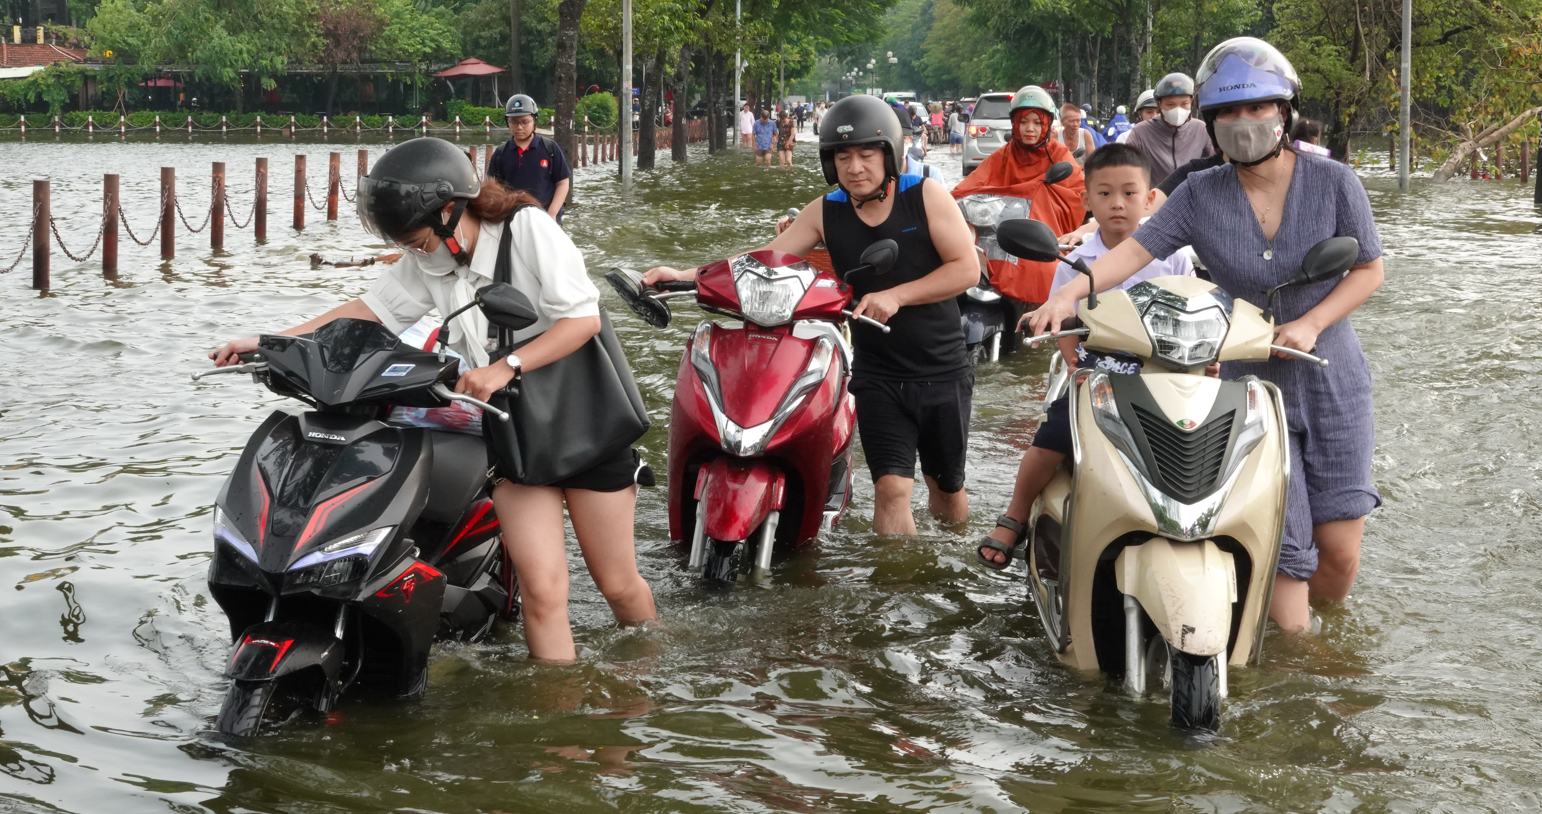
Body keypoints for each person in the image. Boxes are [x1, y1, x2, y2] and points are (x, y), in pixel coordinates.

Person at [210, 138, 657, 661]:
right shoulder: (432, 258)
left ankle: (643, 684)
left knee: (618, 585)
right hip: (514, 432)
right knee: (542, 593)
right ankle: (556, 731)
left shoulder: (526, 229)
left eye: (418, 241)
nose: (414, 252)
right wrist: (272, 343)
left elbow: (581, 320)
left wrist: (504, 366)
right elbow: (370, 309)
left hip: (583, 424)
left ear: (450, 212)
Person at [1026, 37, 1385, 634]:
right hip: (1248, 382)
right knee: (1287, 558)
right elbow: (1136, 250)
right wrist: (1069, 291)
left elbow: (1369, 268)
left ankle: (1324, 658)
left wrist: (1311, 322)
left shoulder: (1335, 181)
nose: (1244, 123)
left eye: (1258, 109)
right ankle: (1291, 671)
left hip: (1331, 376)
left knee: (1340, 554)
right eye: (1228, 113)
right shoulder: (1200, 193)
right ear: (1211, 123)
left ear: (1284, 112)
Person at [643, 94, 979, 535]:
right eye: (843, 156)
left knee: (946, 488)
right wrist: (684, 275)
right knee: (892, 490)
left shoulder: (925, 196)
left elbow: (967, 268)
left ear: (890, 155)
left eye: (866, 154)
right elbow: (764, 259)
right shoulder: (827, 210)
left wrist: (897, 295)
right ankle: (898, 589)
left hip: (941, 368)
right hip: (877, 371)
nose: (855, 167)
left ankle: (948, 574)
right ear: (829, 162)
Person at [977, 144, 1194, 567]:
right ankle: (1015, 514)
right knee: (1052, 439)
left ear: (1150, 199)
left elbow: (1193, 308)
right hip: (1100, 368)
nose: (1117, 204)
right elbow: (1065, 320)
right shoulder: (1076, 260)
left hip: (1166, 373)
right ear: (1086, 200)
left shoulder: (1176, 256)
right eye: (1105, 193)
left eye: (1130, 193)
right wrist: (1075, 364)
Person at [951, 85, 1087, 317]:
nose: (1029, 129)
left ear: (1046, 124)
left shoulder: (1059, 155)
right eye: (1023, 122)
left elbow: (1077, 197)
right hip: (1001, 235)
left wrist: (1041, 194)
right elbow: (966, 189)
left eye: (1037, 122)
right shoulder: (1002, 156)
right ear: (1014, 124)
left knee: (1047, 278)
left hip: (1042, 238)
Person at [488, 94, 572, 224]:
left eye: (525, 122)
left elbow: (562, 182)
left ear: (534, 121)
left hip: (545, 218)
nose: (519, 127)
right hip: (512, 220)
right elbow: (492, 188)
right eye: (513, 122)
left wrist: (552, 214)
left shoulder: (549, 148)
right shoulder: (501, 153)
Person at [1123, 72, 1214, 186]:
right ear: (1159, 104)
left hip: (1192, 200)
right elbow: (1125, 167)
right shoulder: (1141, 132)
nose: (1178, 110)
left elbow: (1217, 164)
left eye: (1184, 104)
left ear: (1191, 102)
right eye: (1170, 105)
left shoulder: (1201, 129)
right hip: (1156, 200)